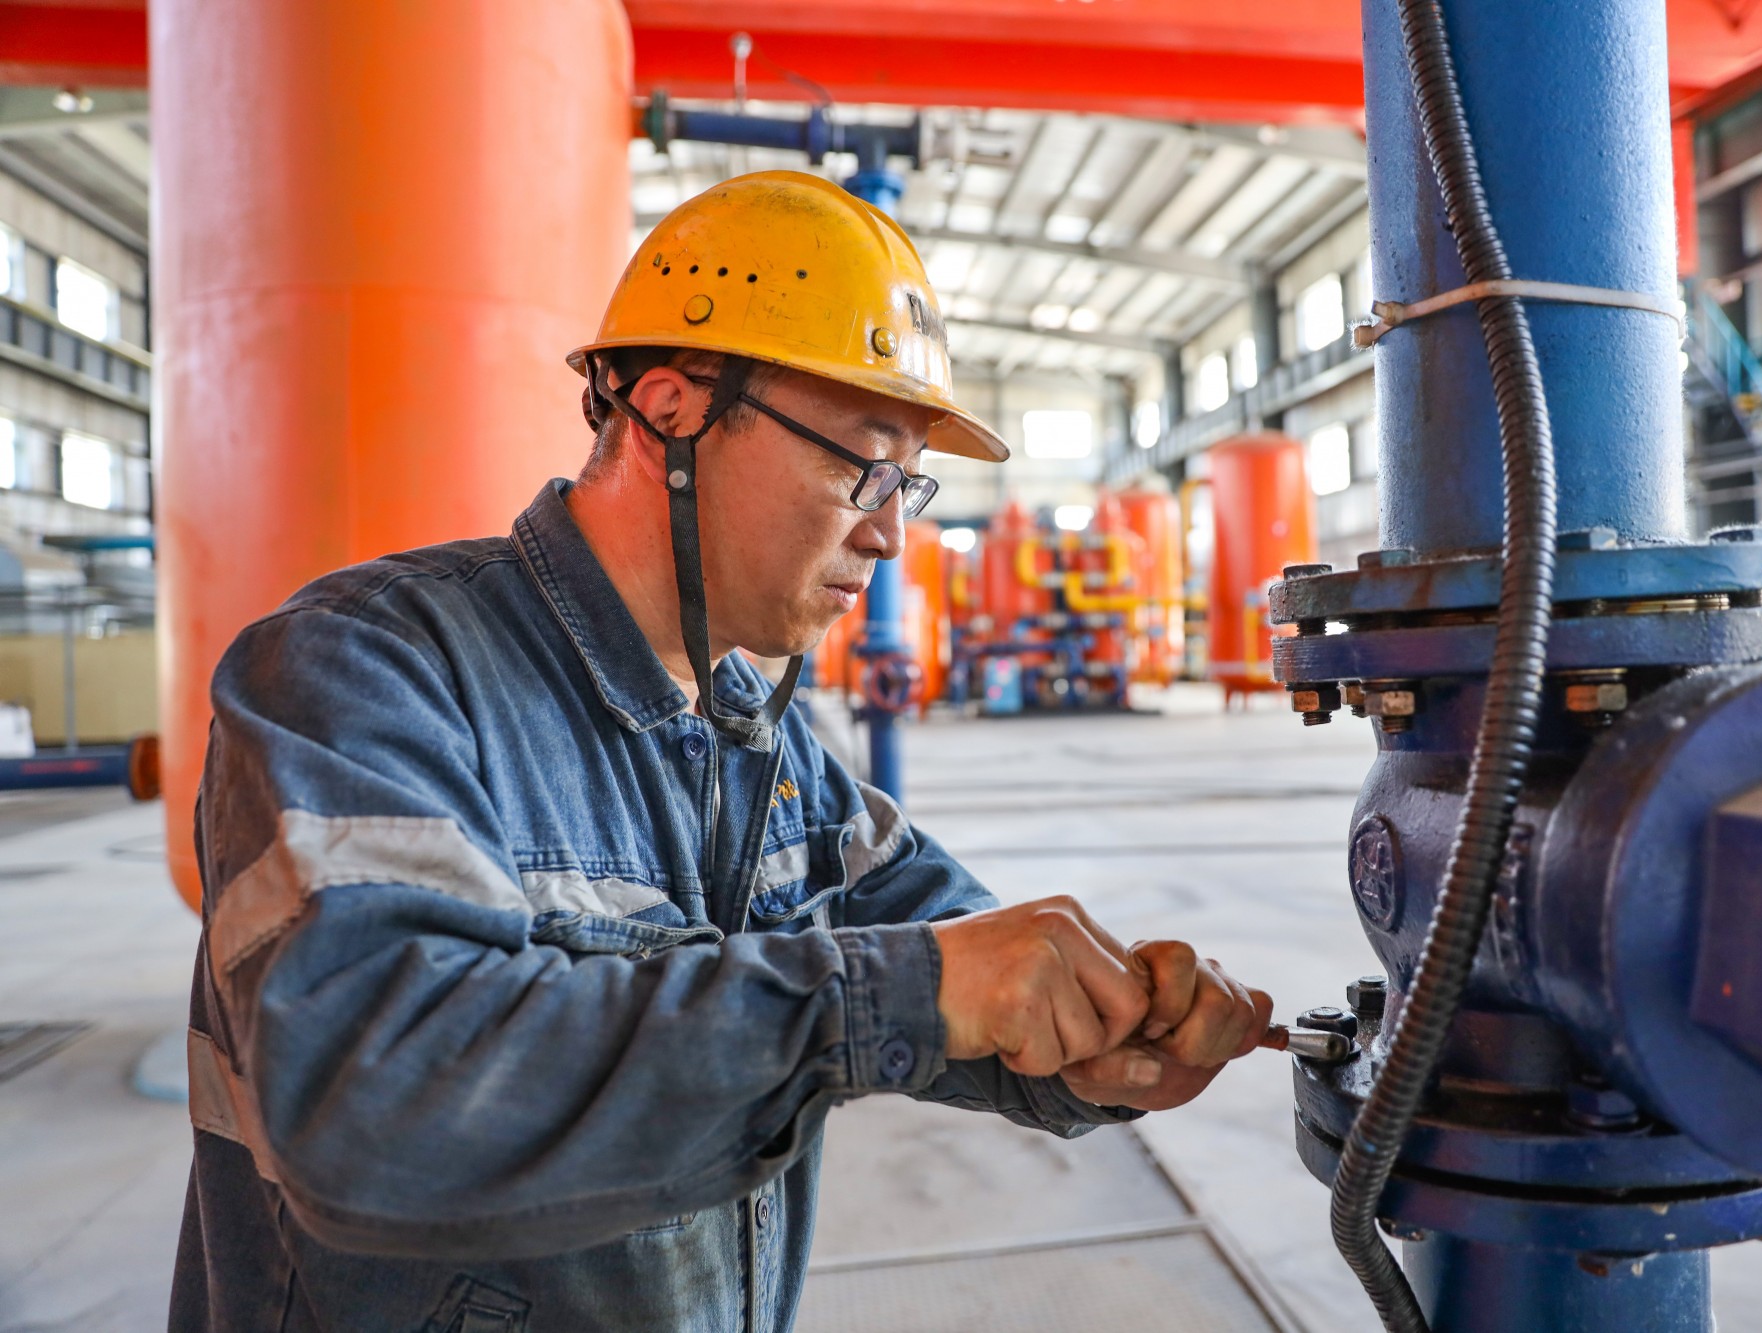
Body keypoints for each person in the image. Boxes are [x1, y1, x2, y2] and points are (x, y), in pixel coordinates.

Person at [170, 170, 1272, 1332]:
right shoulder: (364, 668)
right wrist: (903, 991)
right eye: (864, 464)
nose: (891, 532)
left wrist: (1096, 1039)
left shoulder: (767, 740)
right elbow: (375, 1103)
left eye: (909, 481)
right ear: (672, 411)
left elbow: (949, 951)